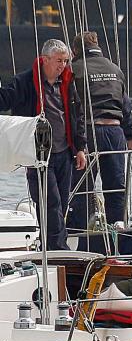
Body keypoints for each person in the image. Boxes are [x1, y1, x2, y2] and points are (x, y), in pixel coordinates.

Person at [0, 38, 86, 250]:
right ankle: (58, 249)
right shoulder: (25, 81)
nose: (62, 66)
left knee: (62, 204)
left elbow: (77, 117)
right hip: (38, 155)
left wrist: (81, 148)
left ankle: (52, 245)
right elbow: (4, 100)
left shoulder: (67, 82)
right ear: (45, 59)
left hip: (64, 152)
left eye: (65, 61)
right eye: (58, 61)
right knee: (50, 202)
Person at [68, 31, 132, 231]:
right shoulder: (115, 70)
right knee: (116, 187)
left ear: (75, 50)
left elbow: (68, 105)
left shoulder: (73, 70)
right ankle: (117, 228)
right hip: (115, 132)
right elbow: (126, 106)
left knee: (83, 187)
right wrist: (131, 136)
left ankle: (82, 232)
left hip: (88, 132)